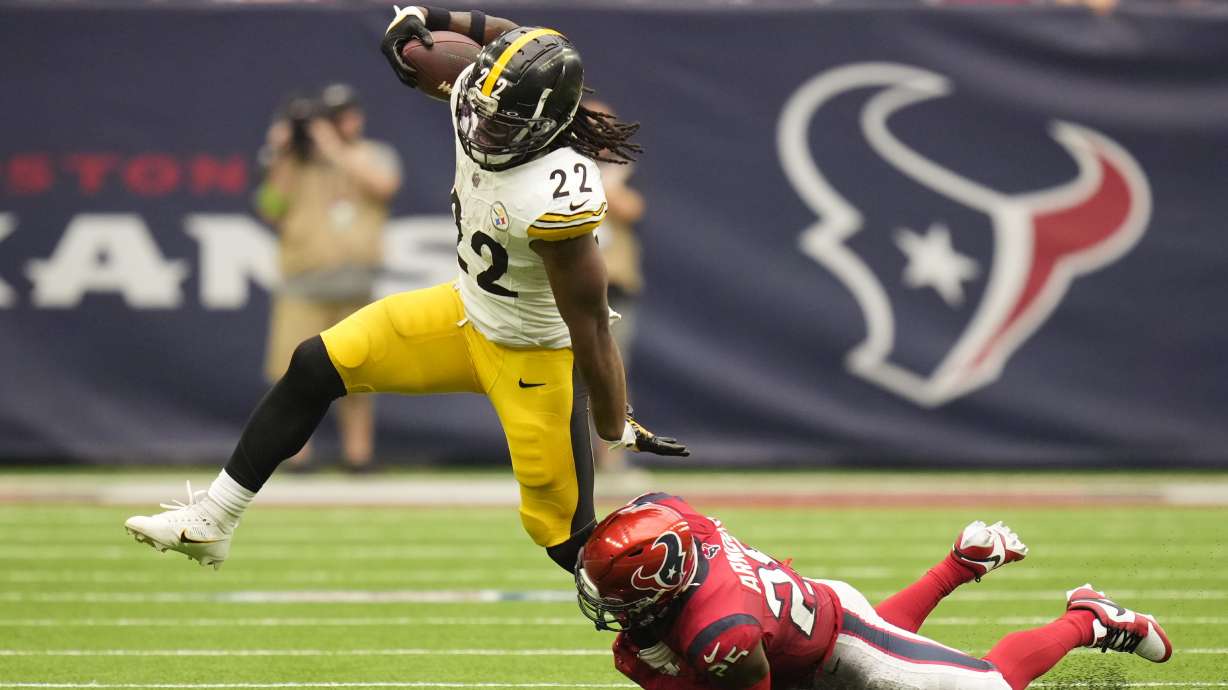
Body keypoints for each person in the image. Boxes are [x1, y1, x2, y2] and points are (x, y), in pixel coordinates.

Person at [122, 7, 687, 572]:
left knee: (568, 542)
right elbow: (506, 39)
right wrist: (427, 17)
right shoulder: (481, 98)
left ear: (543, 127)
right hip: (464, 314)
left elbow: (590, 327)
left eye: (501, 124)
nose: (481, 129)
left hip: (535, 358)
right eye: (481, 112)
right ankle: (213, 520)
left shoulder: (555, 193)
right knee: (316, 364)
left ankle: (683, 609)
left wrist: (612, 424)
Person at [575, 493, 1172, 690]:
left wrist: (659, 672)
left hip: (835, 646)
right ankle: (959, 565)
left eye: (621, 597)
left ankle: (1089, 619)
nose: (610, 608)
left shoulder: (719, 631)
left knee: (987, 686)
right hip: (813, 613)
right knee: (880, 646)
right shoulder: (671, 516)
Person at [256, 83, 402, 472]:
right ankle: (297, 459)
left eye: (347, 115)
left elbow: (384, 186)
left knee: (359, 377)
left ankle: (358, 457)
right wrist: (282, 155)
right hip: (303, 286)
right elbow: (270, 208)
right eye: (334, 118)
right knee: (292, 378)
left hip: (356, 286)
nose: (344, 123)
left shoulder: (374, 154)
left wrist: (334, 148)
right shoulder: (295, 162)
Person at [583, 99, 647, 475]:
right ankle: (571, 460)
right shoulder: (555, 168)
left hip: (613, 288)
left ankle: (613, 459)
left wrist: (605, 183)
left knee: (612, 375)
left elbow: (632, 209)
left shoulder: (621, 169)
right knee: (563, 378)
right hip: (568, 287)